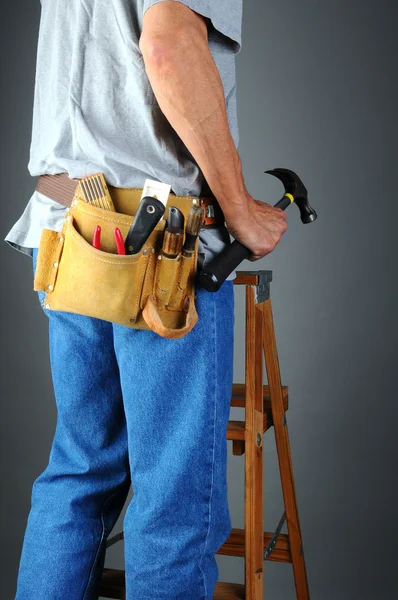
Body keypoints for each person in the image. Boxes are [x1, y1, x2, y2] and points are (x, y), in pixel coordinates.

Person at [5, 1, 287, 599]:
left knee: (82, 471)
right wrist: (239, 211)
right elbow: (168, 47)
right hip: (159, 251)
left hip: (69, 225)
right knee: (174, 499)